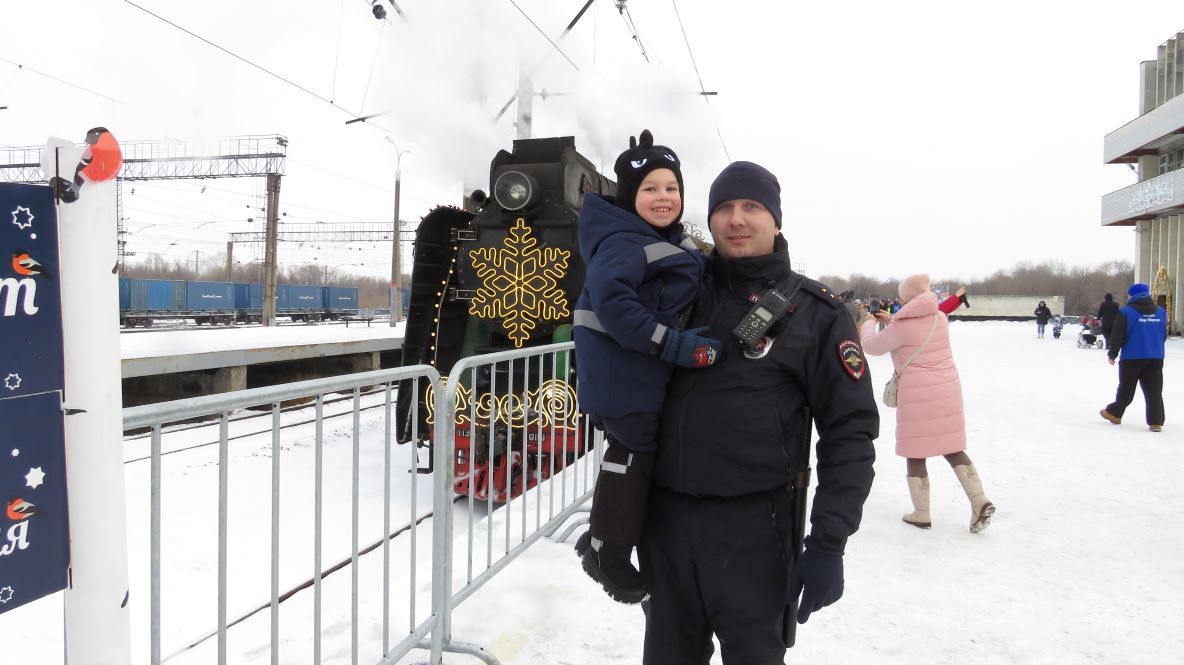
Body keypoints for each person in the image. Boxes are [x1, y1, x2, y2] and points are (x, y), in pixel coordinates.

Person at [639, 161, 878, 664]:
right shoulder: (679, 293)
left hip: (756, 534)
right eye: (723, 208)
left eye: (751, 206)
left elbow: (850, 433)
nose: (736, 219)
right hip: (665, 525)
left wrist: (829, 541)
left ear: (776, 220)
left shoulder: (816, 313)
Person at [571, 129, 722, 604]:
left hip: (637, 375)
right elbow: (615, 305)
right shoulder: (621, 242)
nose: (663, 197)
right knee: (635, 450)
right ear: (629, 195)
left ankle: (599, 535)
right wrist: (672, 344)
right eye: (650, 188)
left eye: (671, 188)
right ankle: (606, 552)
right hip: (623, 376)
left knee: (637, 450)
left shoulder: (661, 240)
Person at [860, 274, 996, 533]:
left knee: (915, 450)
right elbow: (915, 327)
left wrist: (868, 323)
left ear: (908, 298)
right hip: (947, 390)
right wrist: (893, 320)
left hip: (917, 394)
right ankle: (979, 500)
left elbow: (872, 346)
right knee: (953, 446)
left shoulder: (903, 327)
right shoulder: (940, 318)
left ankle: (921, 513)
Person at [1100, 283, 1167, 432]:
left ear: (1132, 295)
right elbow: (1163, 335)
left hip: (1132, 357)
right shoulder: (1161, 312)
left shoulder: (1126, 312)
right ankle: (1156, 422)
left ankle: (1114, 413)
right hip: (1155, 357)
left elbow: (1118, 336)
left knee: (1126, 388)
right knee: (1154, 390)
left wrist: (1112, 353)